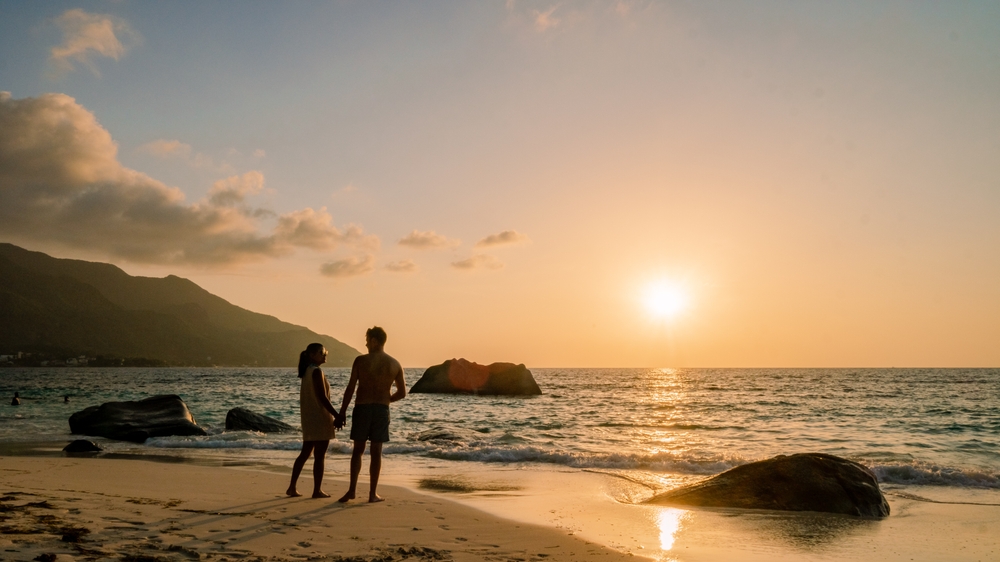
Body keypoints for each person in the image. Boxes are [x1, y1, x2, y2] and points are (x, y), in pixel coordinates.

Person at [336, 326, 406, 503]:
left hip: (362, 408)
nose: (365, 343)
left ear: (374, 341)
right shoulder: (395, 364)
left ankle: (352, 490)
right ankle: (372, 494)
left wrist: (342, 412)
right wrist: (386, 400)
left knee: (357, 451)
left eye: (367, 339)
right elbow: (402, 392)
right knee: (376, 452)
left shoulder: (360, 361)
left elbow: (351, 388)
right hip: (381, 410)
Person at [286, 343, 340, 498]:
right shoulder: (316, 372)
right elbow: (322, 397)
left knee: (305, 453)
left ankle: (292, 487)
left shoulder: (307, 371)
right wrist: (337, 415)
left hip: (309, 417)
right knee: (319, 455)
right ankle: (317, 490)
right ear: (312, 355)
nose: (325, 355)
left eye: (325, 352)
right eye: (322, 352)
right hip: (319, 417)